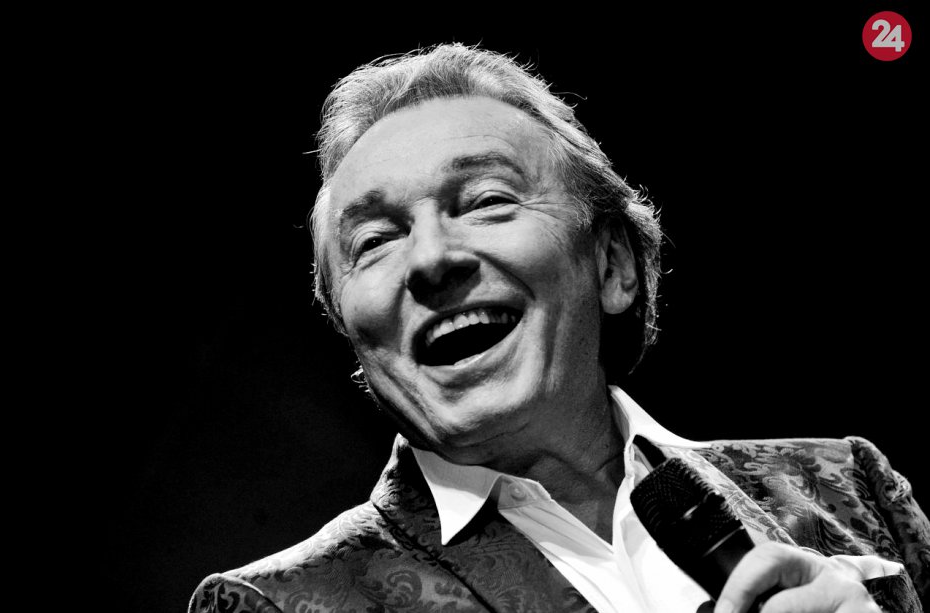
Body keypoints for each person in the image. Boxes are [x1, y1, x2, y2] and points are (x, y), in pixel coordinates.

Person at [188, 43, 928, 612]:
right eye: (375, 241)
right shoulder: (278, 604)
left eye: (486, 200)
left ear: (612, 265)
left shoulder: (846, 489)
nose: (432, 259)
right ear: (351, 328)